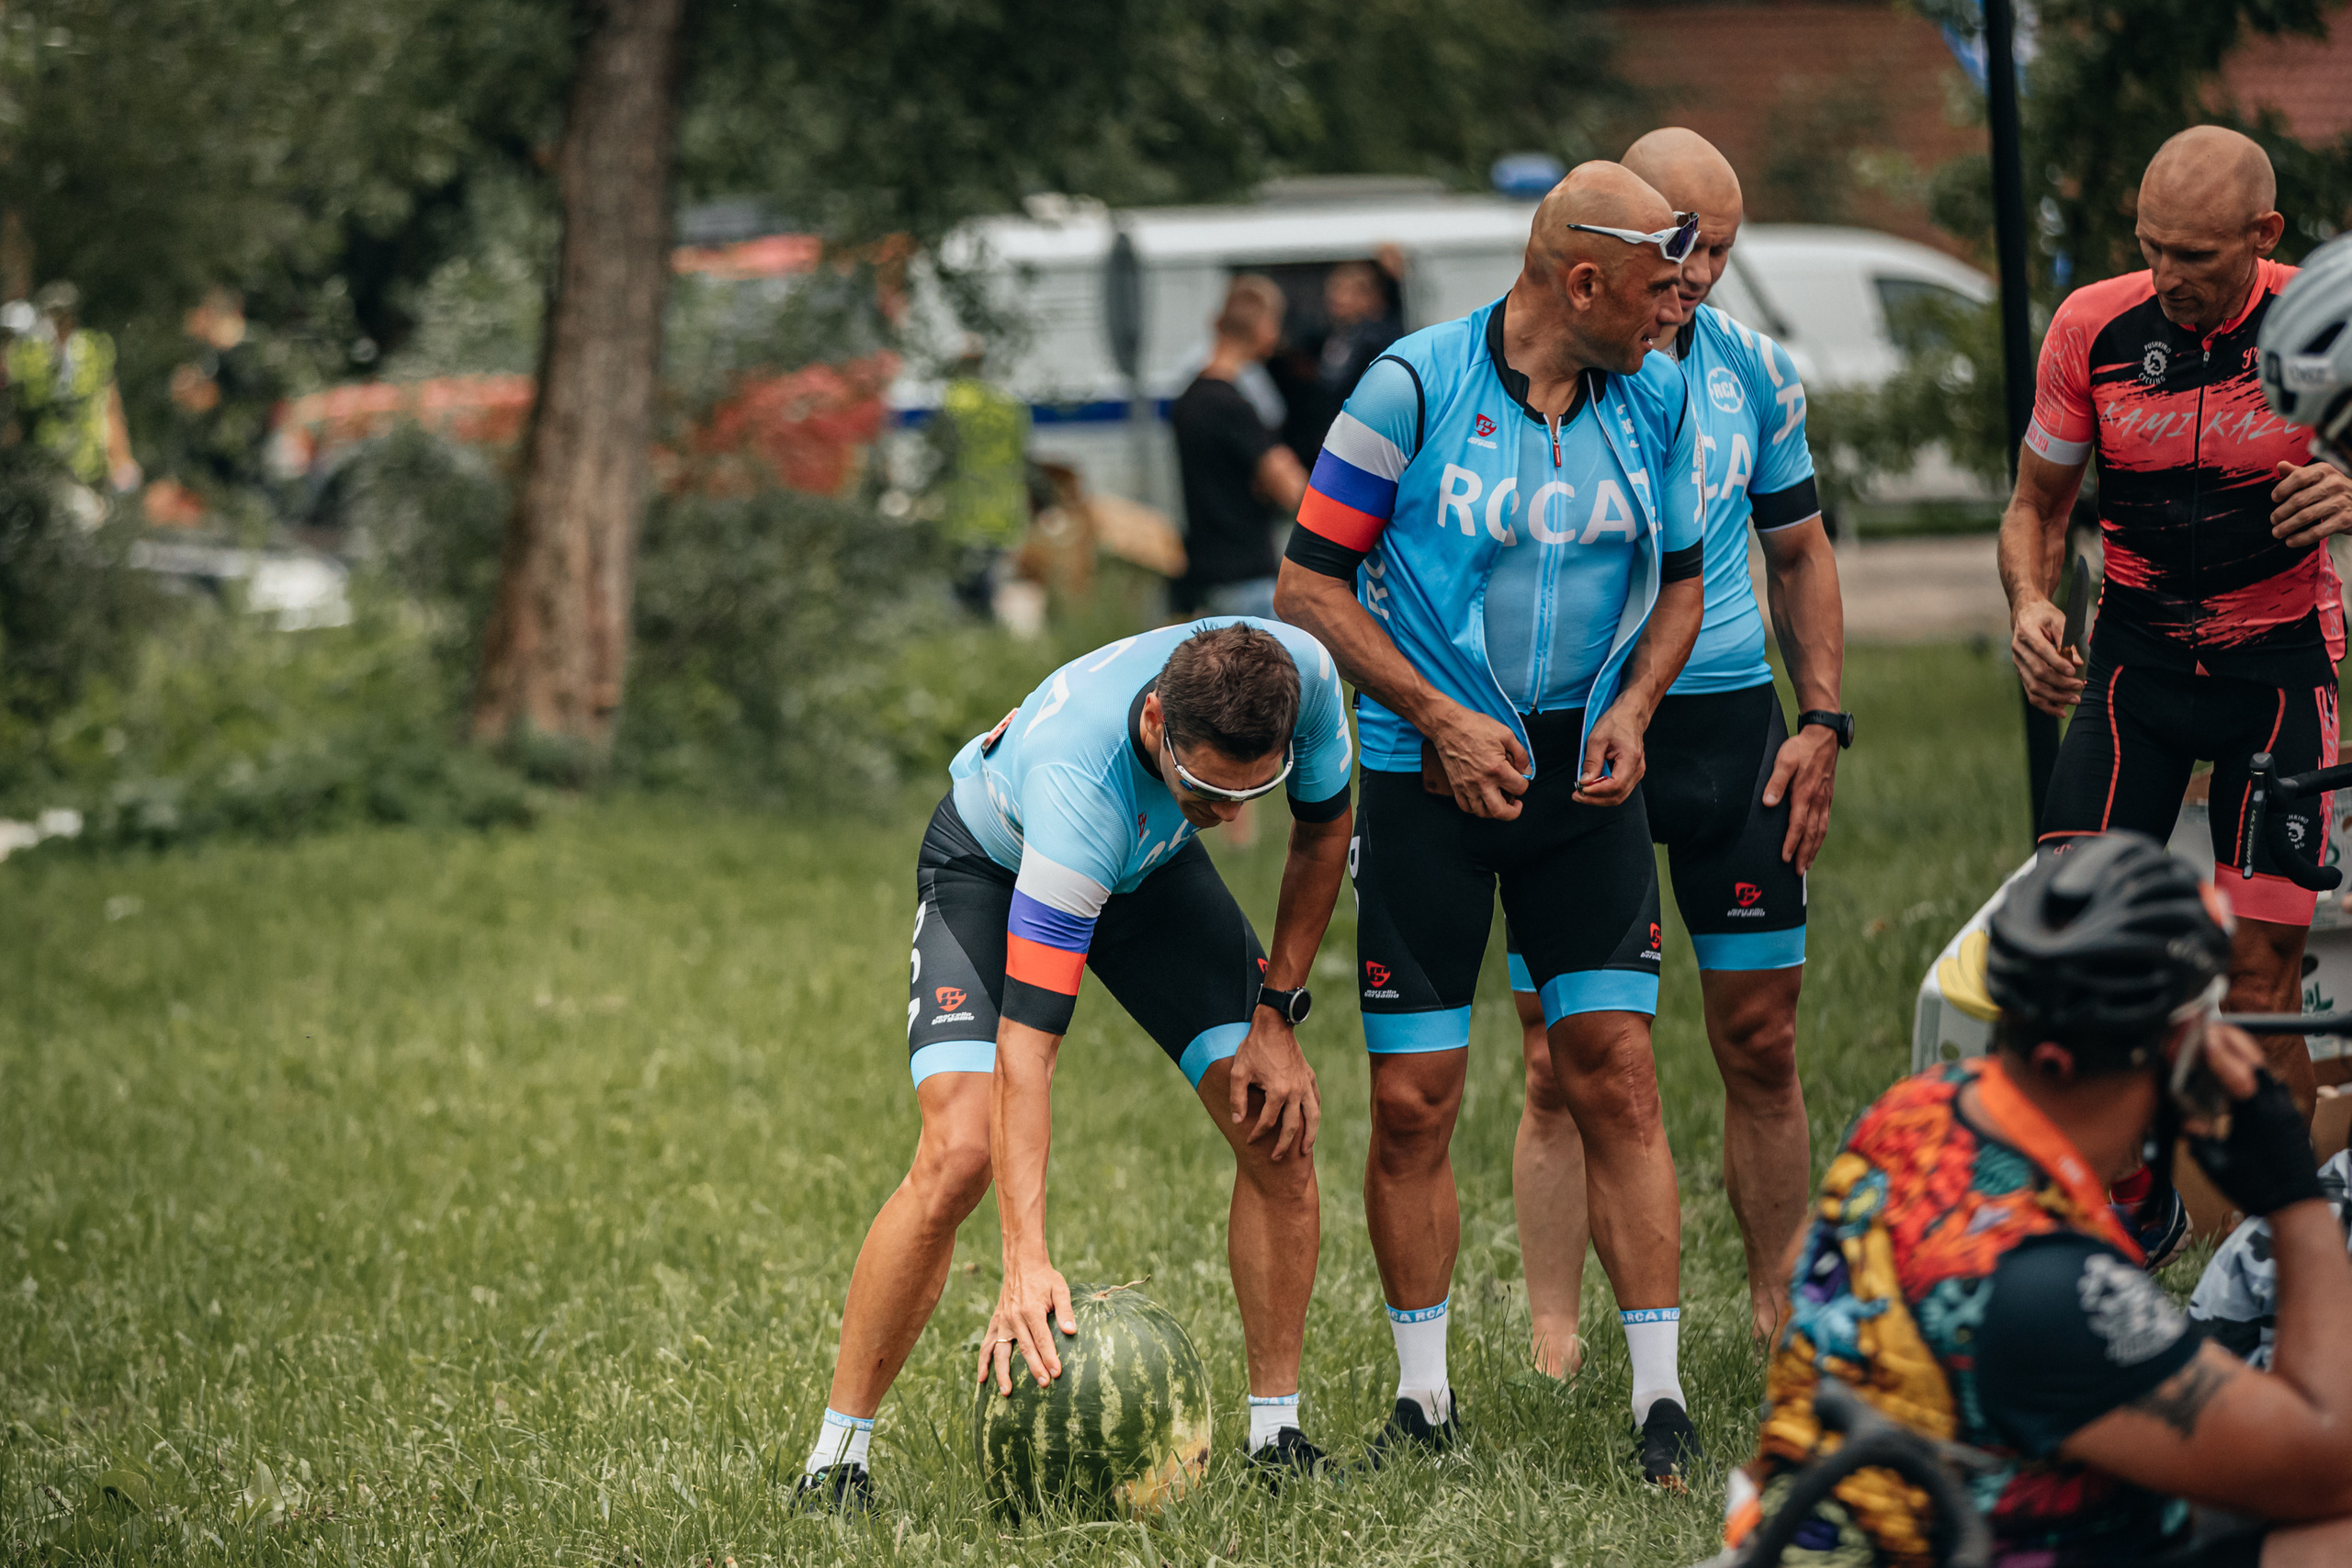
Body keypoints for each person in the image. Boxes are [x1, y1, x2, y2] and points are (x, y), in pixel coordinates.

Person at [1274, 162, 1709, 1483]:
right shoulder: (1409, 389)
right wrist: (1437, 716)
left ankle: (1660, 1395)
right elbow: (1308, 583)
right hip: (1425, 770)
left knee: (1617, 1071)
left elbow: (1686, 584)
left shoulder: (1660, 395)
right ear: (1581, 281)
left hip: (1585, 776)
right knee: (1416, 1099)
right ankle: (1422, 1397)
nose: (1673, 310)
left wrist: (1637, 699)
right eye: (1651, 288)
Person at [791, 619, 1354, 1513]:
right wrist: (1026, 1263)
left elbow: (1323, 835)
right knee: (958, 1157)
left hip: (1150, 875)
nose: (1233, 815)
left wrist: (1276, 1017)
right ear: (1156, 724)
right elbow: (1028, 1047)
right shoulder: (1075, 783)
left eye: (1255, 791)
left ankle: (1275, 1435)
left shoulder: (1307, 676)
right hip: (999, 868)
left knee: (1272, 1127)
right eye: (1207, 787)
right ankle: (835, 1460)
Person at [1726, 832, 2352, 1567]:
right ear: (2173, 1049)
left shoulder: (1915, 1114)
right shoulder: (2052, 1287)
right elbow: (2326, 1457)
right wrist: (2294, 1200)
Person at [1502, 129, 1848, 1373]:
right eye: (1686, 247)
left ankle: (1777, 1310)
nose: (1700, 275)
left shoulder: (1754, 370)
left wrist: (1821, 721)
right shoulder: (1574, 364)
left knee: (1762, 1036)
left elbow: (1801, 551)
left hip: (1726, 728)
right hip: (1590, 726)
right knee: (1561, 1052)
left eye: (1723, 253)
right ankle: (1554, 1334)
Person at [2001, 127, 2352, 1128]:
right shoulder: (2092, 325)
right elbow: (2035, 505)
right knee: (2070, 957)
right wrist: (2029, 603)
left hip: (2277, 670)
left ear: (2263, 233)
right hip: (2135, 669)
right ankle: (2120, 1205)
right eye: (2149, 246)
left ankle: (2279, 1251)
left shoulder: (2320, 322)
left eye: (2192, 256)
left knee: (2258, 986)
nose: (2164, 275)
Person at [1172, 277, 1310, 619]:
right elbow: (1291, 488)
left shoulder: (1189, 398)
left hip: (1209, 572)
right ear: (1264, 327)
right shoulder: (1230, 404)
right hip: (1248, 577)